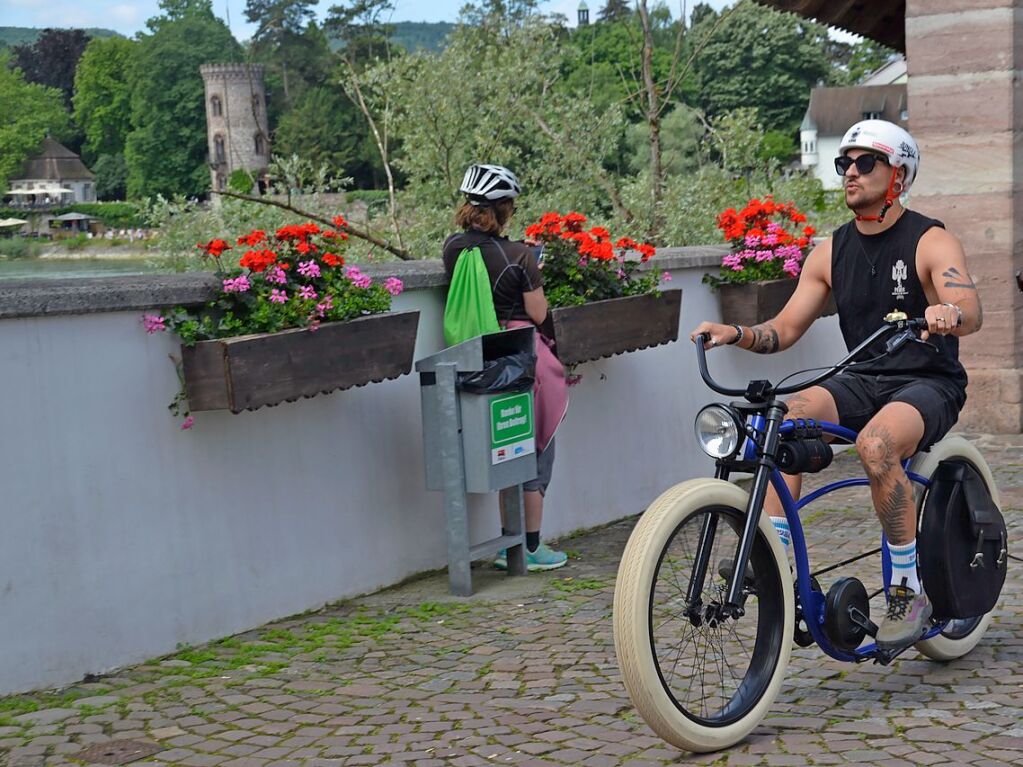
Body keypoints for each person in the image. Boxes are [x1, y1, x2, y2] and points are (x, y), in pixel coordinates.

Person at [690, 120, 984, 651]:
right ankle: (775, 555)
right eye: (843, 162)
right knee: (782, 419)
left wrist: (948, 312)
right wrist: (734, 333)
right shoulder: (830, 251)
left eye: (864, 162)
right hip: (862, 378)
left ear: (898, 173)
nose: (850, 171)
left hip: (927, 381)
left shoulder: (930, 239)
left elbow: (971, 310)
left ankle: (905, 590)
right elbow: (783, 330)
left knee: (876, 444)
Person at [442, 164, 569, 572]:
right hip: (523, 357)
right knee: (536, 449)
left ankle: (506, 544)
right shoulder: (521, 256)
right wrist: (535, 268)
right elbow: (538, 312)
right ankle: (530, 547)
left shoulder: (453, 248)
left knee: (503, 448)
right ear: (504, 209)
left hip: (480, 354)